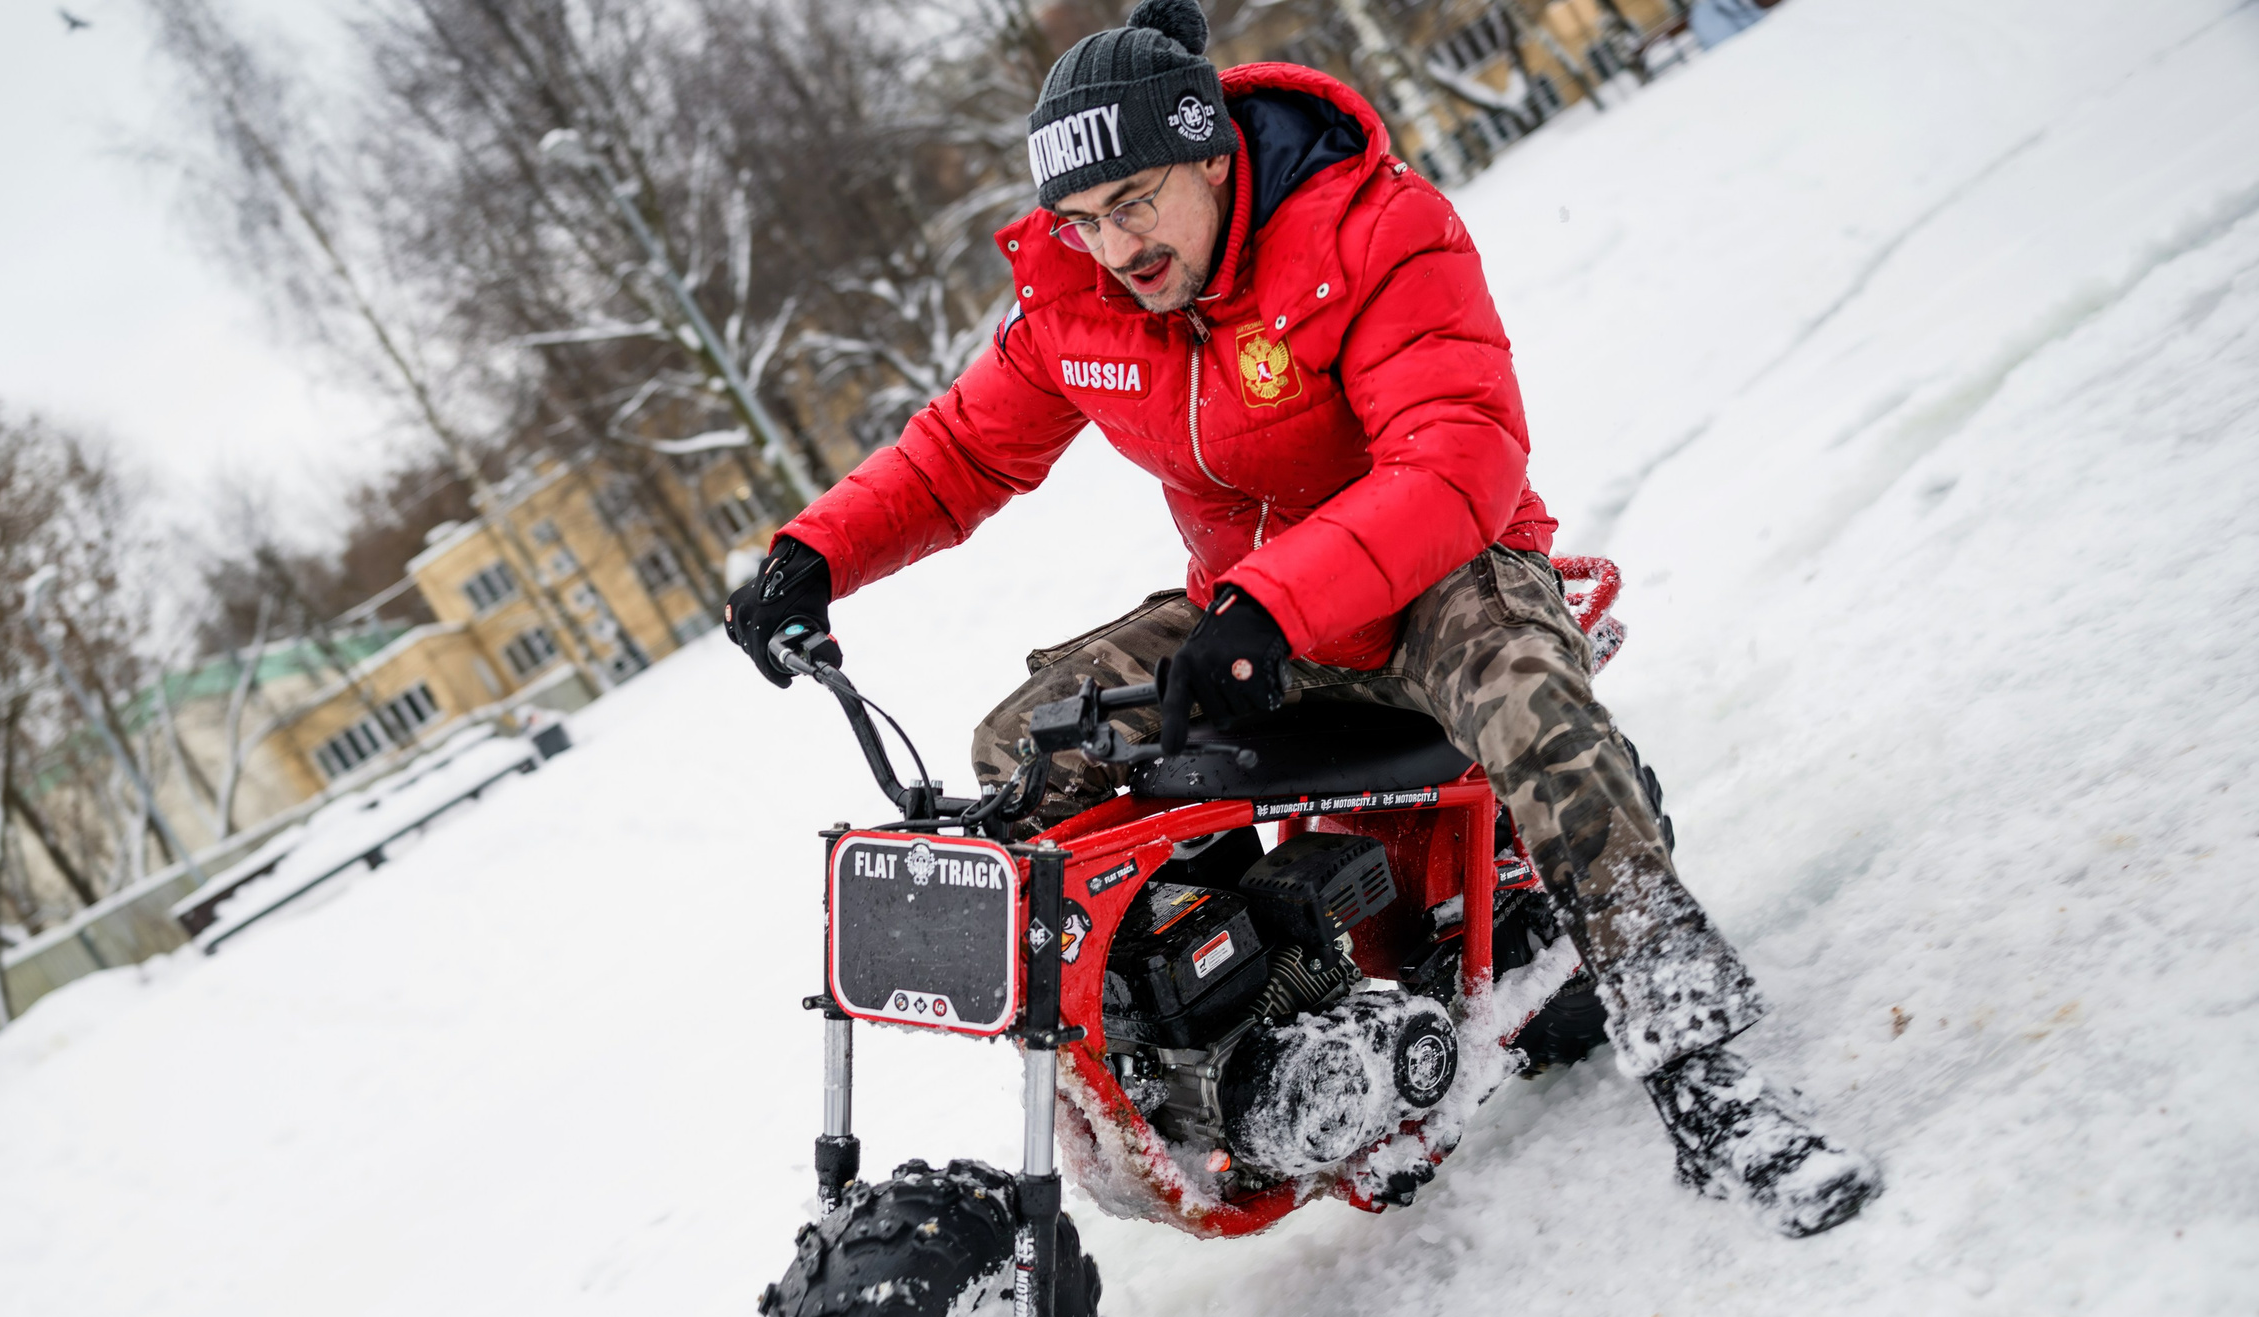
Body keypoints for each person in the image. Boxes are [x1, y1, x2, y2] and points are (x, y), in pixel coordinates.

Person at [726, 0, 1878, 1237]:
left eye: (1136, 202)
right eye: (1082, 220)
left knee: (1535, 715)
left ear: (1214, 153)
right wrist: (811, 555)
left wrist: (1272, 607)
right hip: (1252, 618)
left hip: (1441, 576)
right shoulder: (1080, 304)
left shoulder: (1374, 227)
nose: (1113, 247)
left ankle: (1700, 1070)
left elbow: (1454, 461)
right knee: (1029, 749)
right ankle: (1251, 1036)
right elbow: (960, 453)